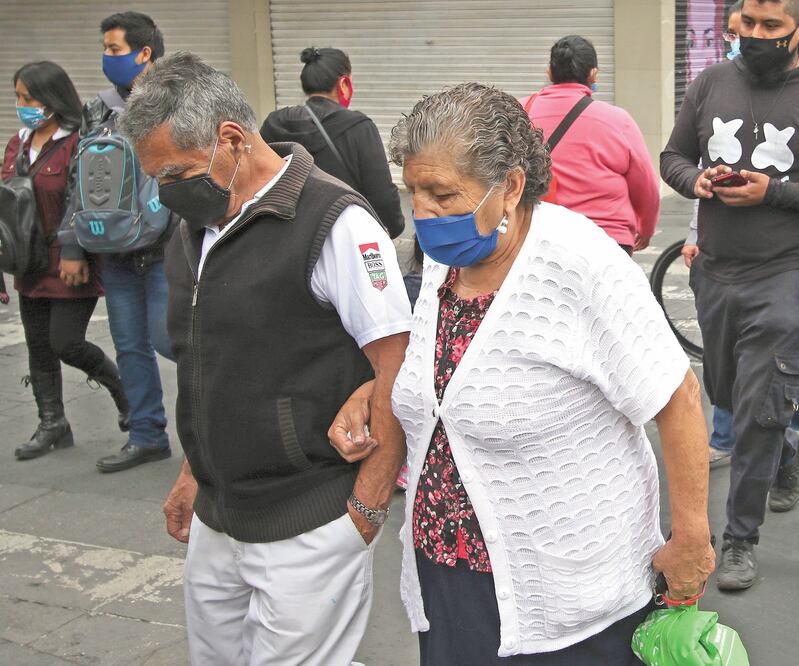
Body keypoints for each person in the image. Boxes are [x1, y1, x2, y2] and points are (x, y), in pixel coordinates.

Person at [333, 82, 715, 664]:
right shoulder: (448, 266)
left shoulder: (579, 264)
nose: (423, 213)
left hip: (567, 595)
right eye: (412, 192)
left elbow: (678, 396)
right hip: (449, 574)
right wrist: (377, 392)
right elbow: (454, 371)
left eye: (441, 193)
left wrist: (691, 538)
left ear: (510, 186)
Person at [118, 52, 411, 665]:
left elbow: (397, 367)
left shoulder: (337, 222)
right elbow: (210, 363)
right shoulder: (195, 227)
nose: (167, 192)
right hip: (219, 516)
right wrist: (195, 469)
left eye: (176, 173)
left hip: (309, 518)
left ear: (231, 139)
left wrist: (367, 505)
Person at [661, 0, 799, 592]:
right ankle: (785, 454)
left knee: (759, 404)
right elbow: (672, 158)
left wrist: (774, 192)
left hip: (783, 272)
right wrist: (699, 181)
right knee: (728, 395)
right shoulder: (711, 82)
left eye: (774, 28)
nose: (758, 36)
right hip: (714, 272)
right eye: (749, 25)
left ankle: (739, 537)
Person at [59, 11, 177, 473]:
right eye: (105, 50)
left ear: (144, 52)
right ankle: (147, 435)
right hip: (114, 248)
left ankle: (214, 430)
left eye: (114, 50)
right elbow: (79, 182)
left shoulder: (179, 99)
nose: (107, 58)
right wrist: (73, 244)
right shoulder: (98, 109)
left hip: (169, 246)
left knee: (171, 341)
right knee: (129, 345)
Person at [1, 61, 128, 460]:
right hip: (28, 261)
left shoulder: (78, 141)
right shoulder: (17, 143)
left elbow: (84, 199)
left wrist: (76, 252)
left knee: (65, 343)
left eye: (29, 97)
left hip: (69, 262)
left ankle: (124, 394)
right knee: (39, 347)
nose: (23, 105)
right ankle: (52, 423)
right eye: (18, 97)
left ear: (52, 98)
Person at [521, 36, 660, 254]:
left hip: (537, 239)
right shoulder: (616, 119)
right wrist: (646, 227)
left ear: (549, 72)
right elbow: (646, 184)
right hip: (606, 238)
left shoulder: (521, 112)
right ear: (593, 74)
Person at [682, 0, 743, 468]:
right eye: (741, 32)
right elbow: (691, 164)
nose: (750, 41)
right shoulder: (713, 85)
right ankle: (724, 436)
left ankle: (786, 448)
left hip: (781, 256)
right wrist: (692, 231)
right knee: (722, 349)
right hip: (718, 251)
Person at [259, 47, 405, 238]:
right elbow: (381, 194)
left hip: (284, 238)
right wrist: (393, 227)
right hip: (343, 237)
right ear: (343, 84)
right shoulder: (359, 127)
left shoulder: (274, 123)